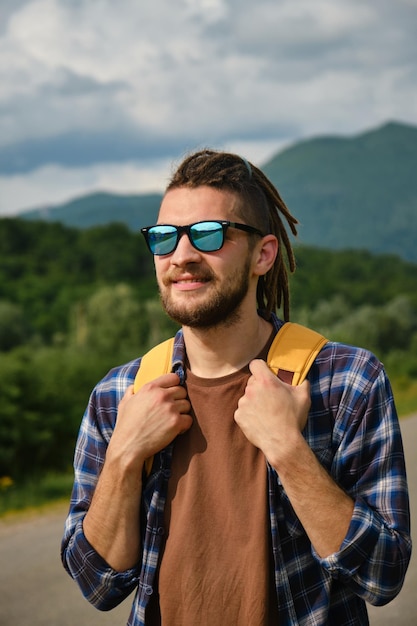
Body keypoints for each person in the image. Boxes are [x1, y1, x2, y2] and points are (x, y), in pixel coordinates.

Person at [61, 149, 411, 626]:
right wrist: (124, 455)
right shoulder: (119, 393)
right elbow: (97, 584)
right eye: (164, 238)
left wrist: (289, 450)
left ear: (262, 254)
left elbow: (382, 576)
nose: (181, 255)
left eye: (208, 234)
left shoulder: (347, 381)